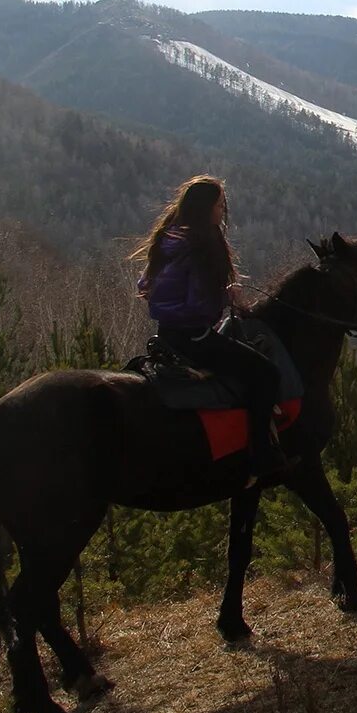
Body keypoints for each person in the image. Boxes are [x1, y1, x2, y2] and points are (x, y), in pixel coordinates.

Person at [131, 176, 288, 483]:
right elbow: (199, 307)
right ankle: (261, 457)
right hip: (195, 337)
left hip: (168, 333)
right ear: (205, 208)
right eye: (219, 205)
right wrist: (226, 296)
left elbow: (146, 285)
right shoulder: (202, 245)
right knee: (266, 374)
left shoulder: (169, 237)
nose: (222, 211)